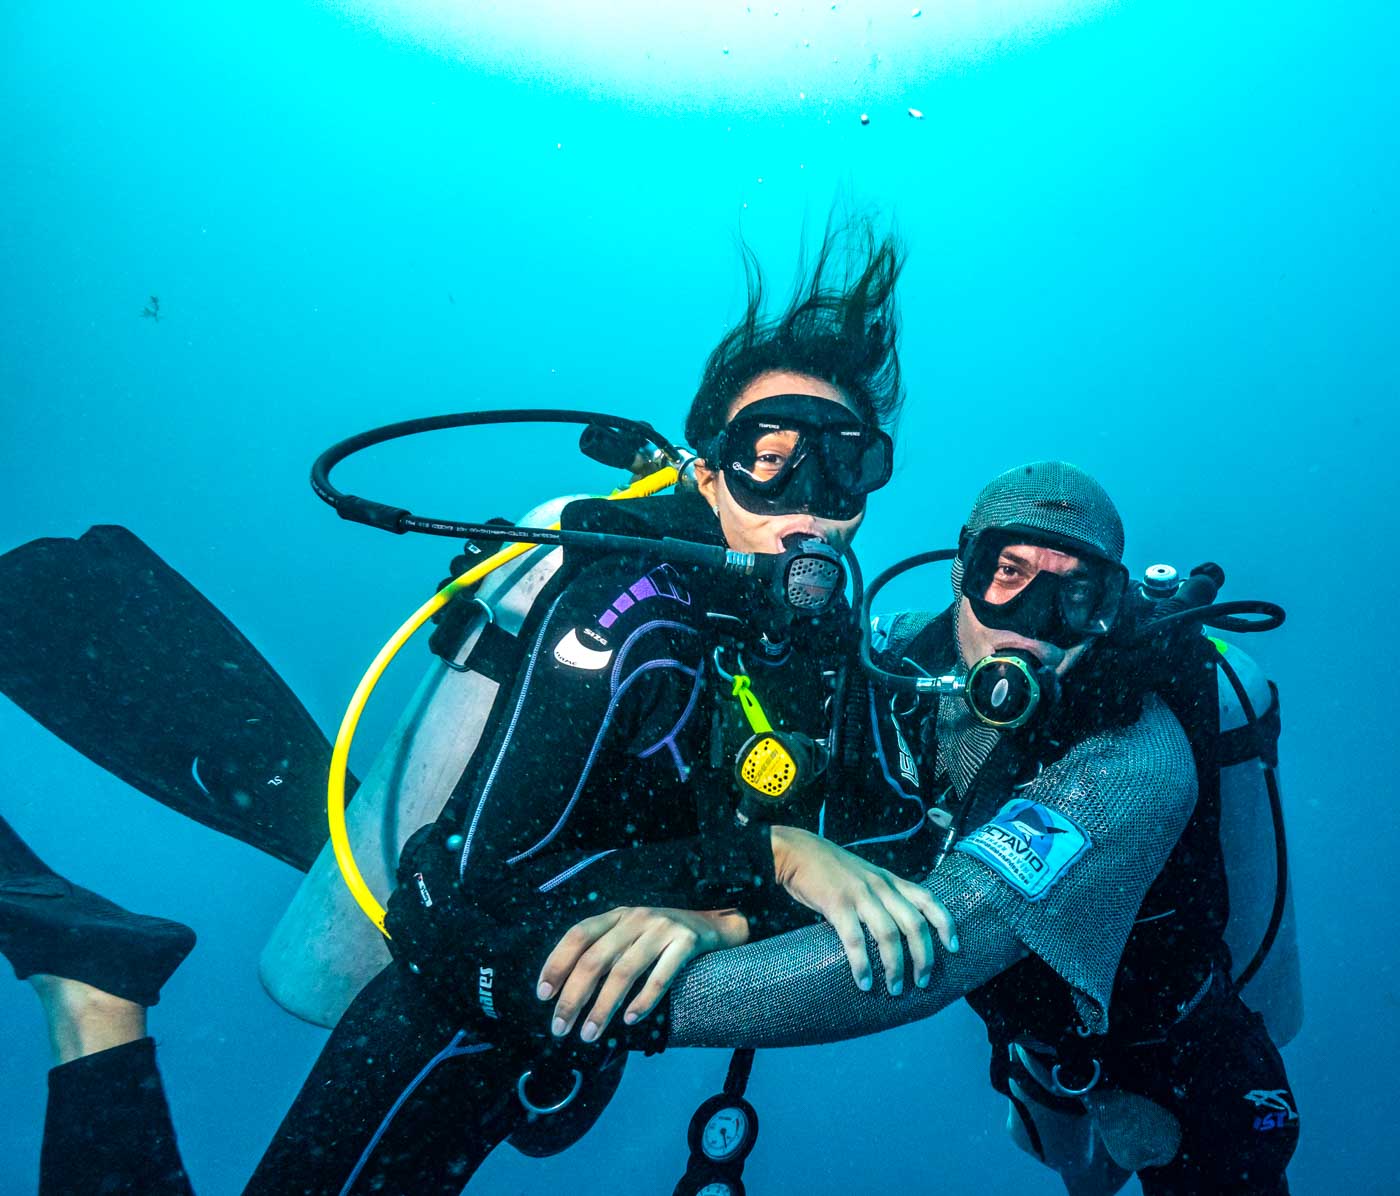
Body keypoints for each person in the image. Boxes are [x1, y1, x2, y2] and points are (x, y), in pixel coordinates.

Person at [2, 213, 961, 1194]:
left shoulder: (821, 638)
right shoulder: (625, 608)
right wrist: (766, 858)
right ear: (707, 467)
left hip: (558, 1029)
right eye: (770, 450)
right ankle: (96, 1003)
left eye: (846, 460)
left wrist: (722, 916)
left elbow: (893, 846)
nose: (809, 490)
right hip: (444, 1006)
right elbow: (480, 894)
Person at [518, 460, 1300, 1195]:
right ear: (963, 569)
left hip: (1176, 1047)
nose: (1032, 623)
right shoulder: (892, 664)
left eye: (1073, 594)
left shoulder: (1134, 761)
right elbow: (828, 838)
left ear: (1107, 607)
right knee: (1076, 1166)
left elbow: (944, 941)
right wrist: (732, 909)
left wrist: (617, 1003)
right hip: (1038, 1044)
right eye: (1009, 572)